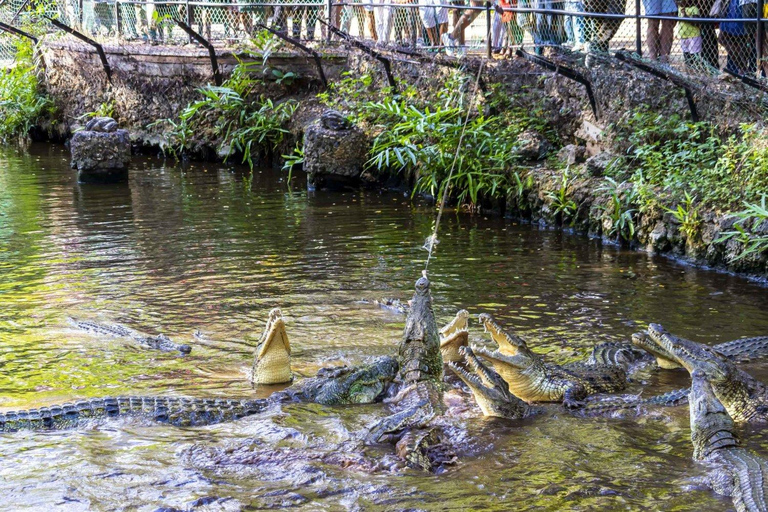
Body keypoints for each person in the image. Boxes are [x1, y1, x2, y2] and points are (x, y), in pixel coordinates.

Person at [719, 0, 751, 73]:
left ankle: (742, 68)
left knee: (739, 40)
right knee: (724, 38)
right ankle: (742, 67)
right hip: (731, 8)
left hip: (739, 7)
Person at [677, 0, 705, 70]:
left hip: (693, 36)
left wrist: (686, 17)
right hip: (683, 36)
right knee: (686, 53)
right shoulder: (680, 8)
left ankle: (696, 69)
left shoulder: (694, 9)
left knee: (694, 55)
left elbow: (696, 22)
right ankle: (689, 68)